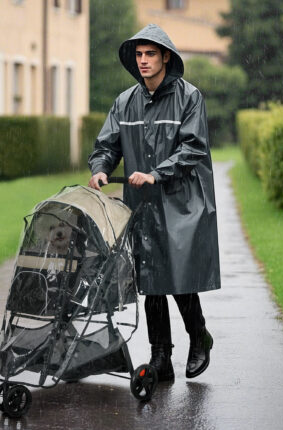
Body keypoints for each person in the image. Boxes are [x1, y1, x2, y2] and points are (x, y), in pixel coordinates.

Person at [88, 24, 221, 381]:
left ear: (165, 57)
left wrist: (156, 173)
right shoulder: (124, 101)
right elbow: (106, 146)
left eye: (150, 54)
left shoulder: (189, 97)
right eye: (139, 54)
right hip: (142, 203)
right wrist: (100, 169)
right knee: (149, 278)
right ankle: (161, 357)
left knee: (177, 275)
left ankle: (199, 336)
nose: (143, 60)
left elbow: (193, 148)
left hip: (181, 201)